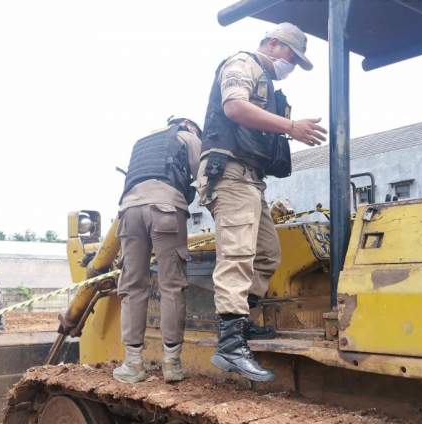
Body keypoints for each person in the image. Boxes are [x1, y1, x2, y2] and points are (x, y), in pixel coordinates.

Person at [196, 22, 327, 382]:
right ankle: (230, 345)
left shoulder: (267, 83)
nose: (292, 66)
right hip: (231, 173)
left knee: (267, 253)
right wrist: (289, 127)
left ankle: (243, 322)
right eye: (291, 56)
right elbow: (235, 108)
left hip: (251, 177)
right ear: (272, 43)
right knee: (237, 254)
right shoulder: (243, 64)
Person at [112, 117, 202, 384]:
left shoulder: (142, 143)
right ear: (189, 125)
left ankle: (133, 364)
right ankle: (172, 364)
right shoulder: (188, 136)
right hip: (165, 210)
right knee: (171, 286)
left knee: (132, 287)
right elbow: (204, 176)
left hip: (128, 213)